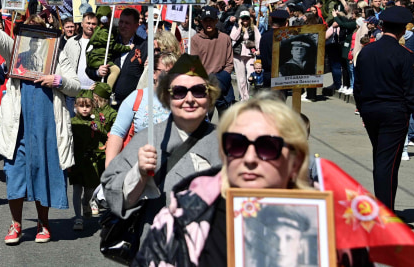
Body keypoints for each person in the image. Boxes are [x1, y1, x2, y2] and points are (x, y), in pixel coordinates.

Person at [134, 98, 313, 266]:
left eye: (267, 146)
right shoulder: (179, 220)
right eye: (237, 144)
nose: (249, 158)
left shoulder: (325, 219)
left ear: (295, 161)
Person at [0, 0, 80, 244]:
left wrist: (57, 80)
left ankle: (44, 224)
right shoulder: (16, 52)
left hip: (47, 126)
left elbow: (75, 86)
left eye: (40, 32)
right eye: (30, 32)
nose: (35, 38)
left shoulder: (58, 56)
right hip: (18, 125)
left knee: (45, 171)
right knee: (15, 173)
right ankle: (16, 224)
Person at [102, 54, 221, 245]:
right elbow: (124, 199)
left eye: (199, 91)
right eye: (180, 92)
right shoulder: (146, 134)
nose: (189, 99)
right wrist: (137, 173)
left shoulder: (225, 141)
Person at [353, 6, 414, 212]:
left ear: (383, 26)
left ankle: (388, 210)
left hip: (370, 110)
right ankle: (385, 216)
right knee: (386, 163)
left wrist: (362, 109)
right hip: (394, 113)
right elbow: (413, 94)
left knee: (385, 160)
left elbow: (358, 87)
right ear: (403, 31)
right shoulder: (404, 55)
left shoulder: (366, 51)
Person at [190, 6, 235, 117]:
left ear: (216, 21)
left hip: (222, 84)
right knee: (204, 124)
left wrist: (221, 80)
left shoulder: (225, 38)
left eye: (211, 20)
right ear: (201, 22)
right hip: (204, 85)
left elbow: (229, 63)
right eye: (206, 20)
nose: (208, 23)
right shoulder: (196, 39)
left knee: (225, 122)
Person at [69, 94, 102, 231]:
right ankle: (78, 218)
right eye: (81, 106)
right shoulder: (72, 122)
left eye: (87, 106)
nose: (84, 109)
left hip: (90, 161)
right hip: (76, 160)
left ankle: (86, 202)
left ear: (92, 107)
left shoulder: (96, 123)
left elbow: (101, 139)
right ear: (75, 106)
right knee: (77, 189)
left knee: (90, 190)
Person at [230, 10, 260, 101]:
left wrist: (258, 50)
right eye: (243, 18)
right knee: (241, 79)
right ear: (240, 19)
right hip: (238, 54)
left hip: (250, 54)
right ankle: (243, 98)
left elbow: (258, 40)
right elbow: (233, 37)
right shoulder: (235, 27)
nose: (245, 20)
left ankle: (250, 96)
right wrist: (239, 27)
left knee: (250, 77)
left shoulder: (254, 28)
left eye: (247, 18)